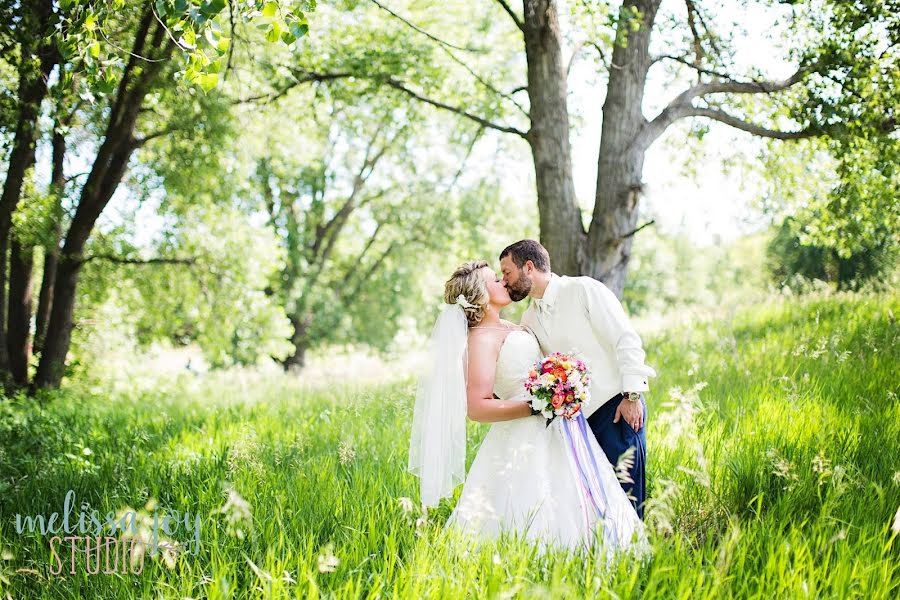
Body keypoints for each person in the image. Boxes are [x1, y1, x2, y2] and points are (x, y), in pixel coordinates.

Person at [408, 260, 646, 552]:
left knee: (574, 490)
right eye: (495, 280)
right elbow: (477, 407)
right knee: (532, 498)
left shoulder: (516, 324)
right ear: (480, 294)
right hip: (525, 429)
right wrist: (535, 406)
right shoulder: (480, 340)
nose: (503, 282)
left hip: (561, 425)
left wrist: (561, 387)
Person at [499, 240, 657, 518]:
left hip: (616, 410)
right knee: (598, 503)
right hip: (576, 424)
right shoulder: (529, 317)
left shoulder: (583, 289)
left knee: (628, 498)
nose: (504, 281)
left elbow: (625, 339)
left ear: (529, 267)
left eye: (507, 273)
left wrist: (632, 396)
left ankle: (637, 558)